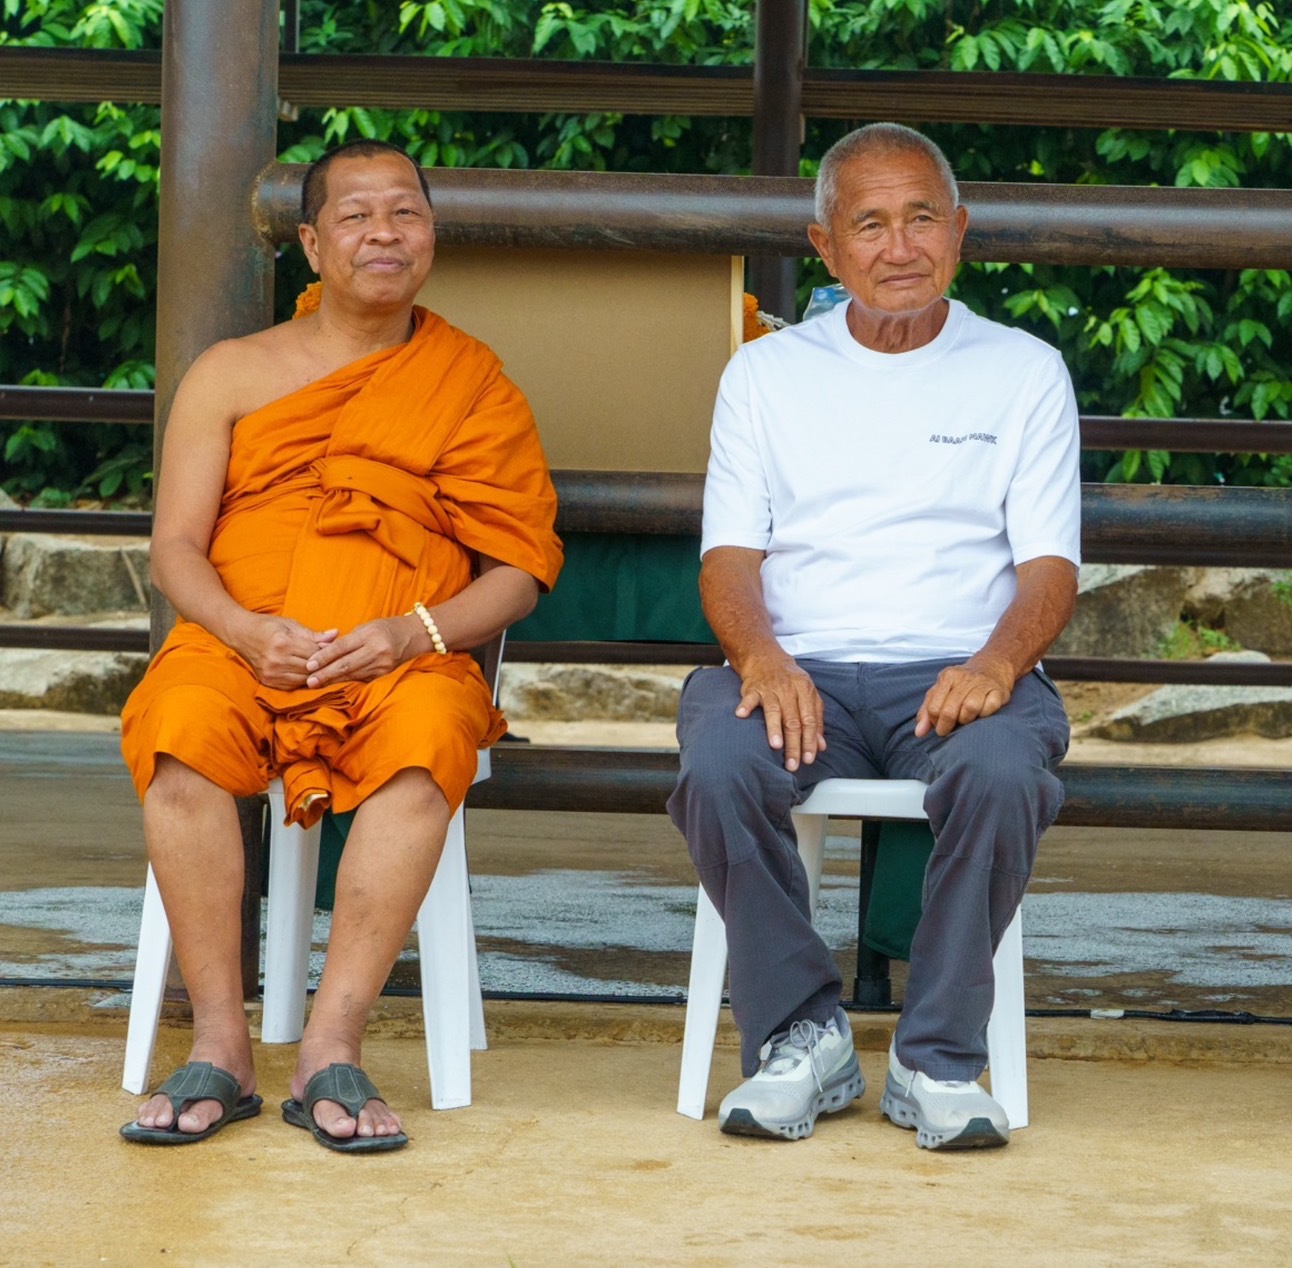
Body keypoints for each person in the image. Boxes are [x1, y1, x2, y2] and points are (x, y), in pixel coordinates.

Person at [118, 139, 562, 1152]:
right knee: (178, 724)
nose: (384, 233)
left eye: (405, 212)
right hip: (240, 643)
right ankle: (222, 1042)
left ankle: (331, 1038)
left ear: (431, 236)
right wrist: (240, 627)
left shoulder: (469, 381)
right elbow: (176, 547)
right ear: (312, 246)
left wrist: (412, 632)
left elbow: (520, 568)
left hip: (398, 654)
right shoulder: (232, 372)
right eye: (356, 216)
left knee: (429, 742)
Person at [668, 123, 1080, 1150]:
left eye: (920, 218)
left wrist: (992, 664)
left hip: (957, 670)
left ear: (961, 231)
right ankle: (801, 1035)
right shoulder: (766, 375)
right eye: (868, 224)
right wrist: (760, 657)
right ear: (824, 247)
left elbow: (1047, 566)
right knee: (717, 757)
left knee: (999, 768)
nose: (899, 247)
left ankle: (934, 1058)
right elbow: (728, 556)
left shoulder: (1022, 370)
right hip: (797, 666)